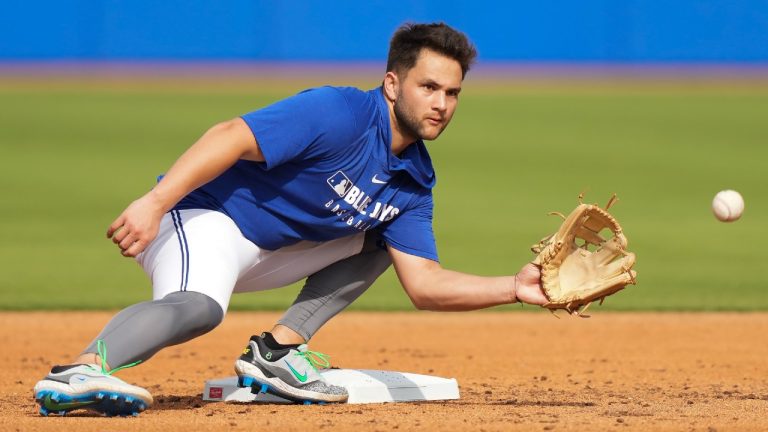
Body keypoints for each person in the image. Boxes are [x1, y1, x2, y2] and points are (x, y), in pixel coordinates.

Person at [33, 22, 548, 416]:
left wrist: (515, 287)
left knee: (380, 239)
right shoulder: (338, 112)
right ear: (393, 84)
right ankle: (81, 370)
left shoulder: (413, 179)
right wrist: (155, 201)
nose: (440, 104)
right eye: (428, 87)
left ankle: (276, 352)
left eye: (452, 93)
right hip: (203, 218)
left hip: (270, 253)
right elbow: (230, 134)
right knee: (198, 308)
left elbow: (425, 284)